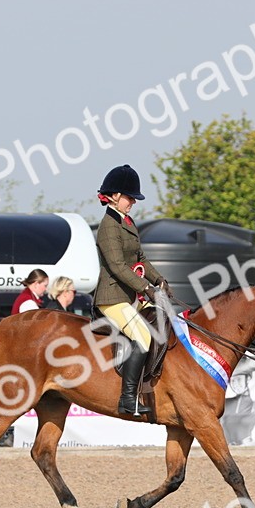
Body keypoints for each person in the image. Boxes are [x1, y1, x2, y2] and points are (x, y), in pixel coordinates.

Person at [92, 164, 167, 417]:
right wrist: (145, 287)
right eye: (129, 197)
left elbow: (140, 258)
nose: (133, 202)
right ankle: (128, 398)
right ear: (114, 196)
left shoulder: (127, 222)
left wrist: (158, 280)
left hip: (131, 296)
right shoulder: (108, 226)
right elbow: (117, 266)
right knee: (143, 337)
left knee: (163, 321)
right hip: (113, 297)